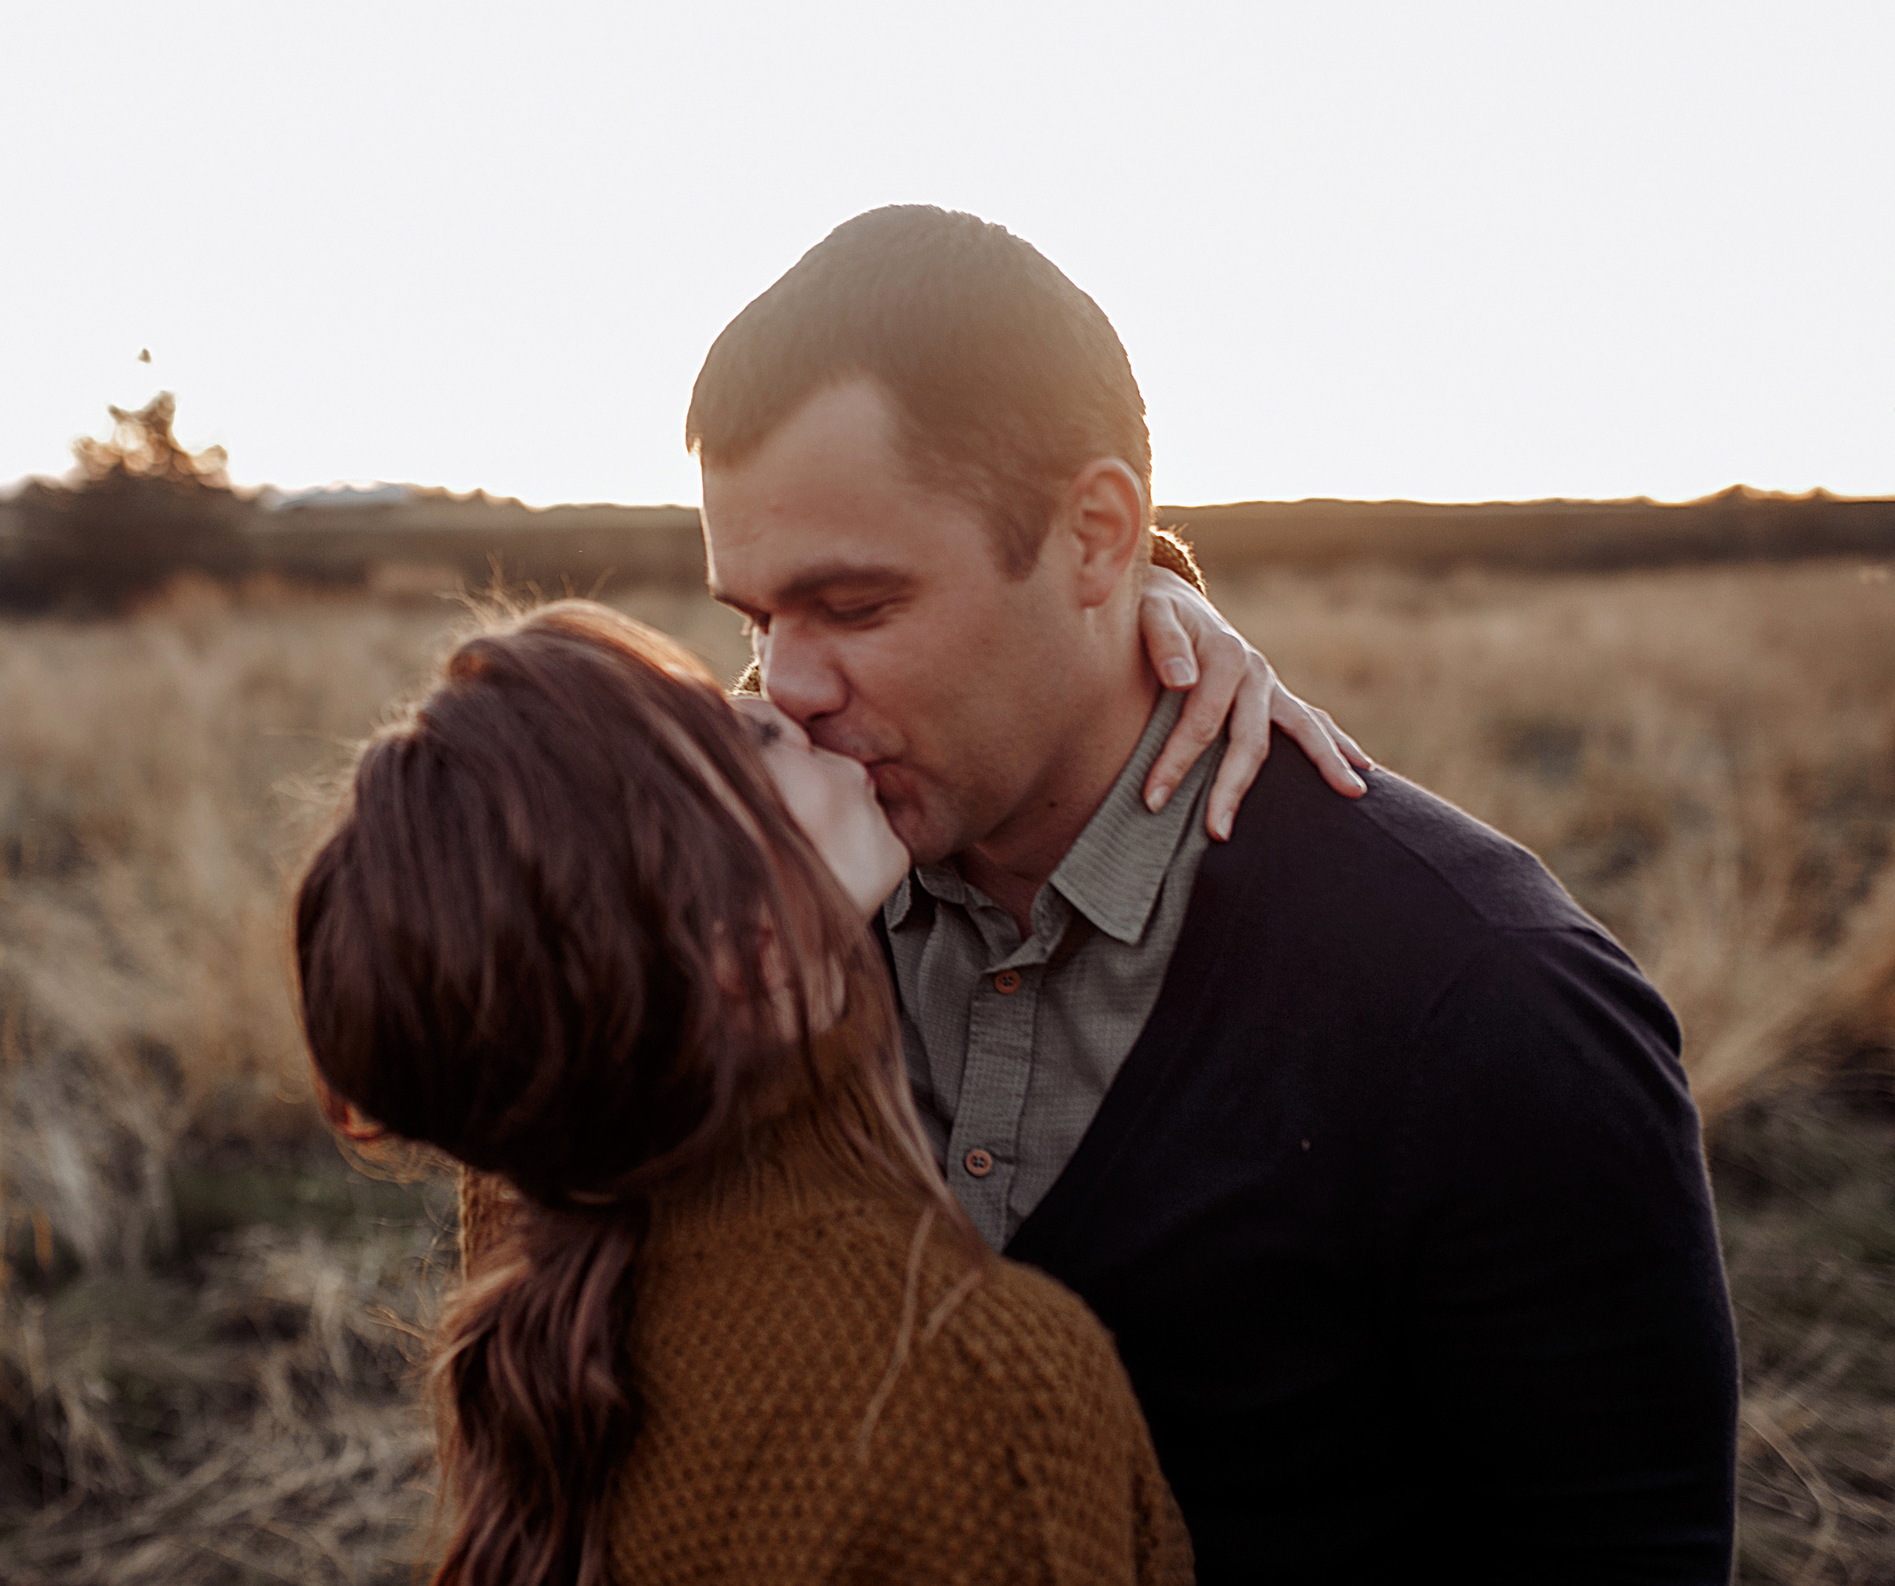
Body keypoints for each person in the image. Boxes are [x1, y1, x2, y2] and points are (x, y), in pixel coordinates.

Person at [691, 205, 1740, 1583]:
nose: (788, 687)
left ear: (1096, 536)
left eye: (857, 605)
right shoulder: (758, 903)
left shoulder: (1484, 1004)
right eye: (757, 620)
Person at [295, 602, 1194, 1586]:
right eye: (751, 731)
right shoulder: (972, 1389)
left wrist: (1141, 597)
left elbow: (582, 826)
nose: (786, 697)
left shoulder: (534, 1183)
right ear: (750, 946)